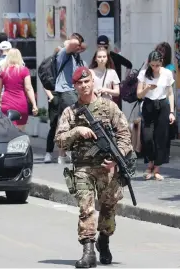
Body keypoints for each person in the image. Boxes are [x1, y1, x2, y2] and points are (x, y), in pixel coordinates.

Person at [55, 66, 133, 268]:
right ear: (75, 86)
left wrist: (117, 159)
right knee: (86, 209)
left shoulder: (109, 108)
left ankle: (103, 241)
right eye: (79, 83)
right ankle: (88, 251)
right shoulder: (70, 113)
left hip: (107, 169)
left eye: (87, 81)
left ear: (93, 82)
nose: (84, 86)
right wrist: (77, 131)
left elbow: (125, 136)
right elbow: (60, 141)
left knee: (108, 209)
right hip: (82, 168)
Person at [45, 33, 87, 164]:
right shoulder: (64, 52)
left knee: (67, 123)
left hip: (72, 92)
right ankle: (61, 153)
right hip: (65, 92)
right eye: (76, 43)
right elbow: (74, 43)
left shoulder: (76, 57)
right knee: (70, 122)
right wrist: (69, 43)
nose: (78, 46)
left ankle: (63, 154)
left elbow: (85, 46)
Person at [136, 50, 175, 181]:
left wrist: (171, 112)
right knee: (147, 137)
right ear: (149, 63)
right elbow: (139, 95)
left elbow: (170, 93)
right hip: (148, 105)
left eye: (157, 65)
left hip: (163, 106)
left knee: (161, 137)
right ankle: (150, 163)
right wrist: (147, 88)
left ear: (161, 63)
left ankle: (156, 168)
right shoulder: (143, 73)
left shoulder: (167, 73)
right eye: (152, 65)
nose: (155, 68)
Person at [0, 48, 38, 130]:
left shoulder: (3, 71)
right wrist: (34, 104)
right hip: (20, 104)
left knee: (7, 130)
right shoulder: (24, 70)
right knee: (20, 131)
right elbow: (28, 88)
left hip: (6, 103)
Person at [97, 35, 133, 110]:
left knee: (115, 111)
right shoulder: (96, 58)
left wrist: (125, 80)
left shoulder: (114, 57)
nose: (102, 49)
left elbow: (129, 64)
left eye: (105, 47)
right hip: (101, 89)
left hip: (113, 89)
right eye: (100, 47)